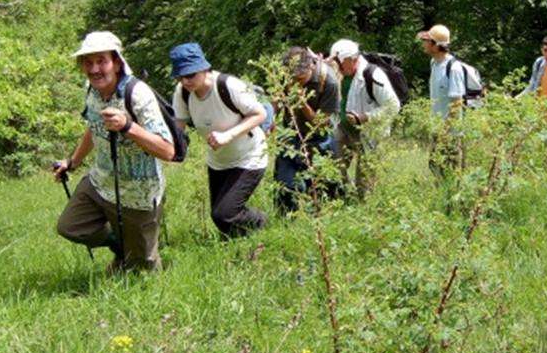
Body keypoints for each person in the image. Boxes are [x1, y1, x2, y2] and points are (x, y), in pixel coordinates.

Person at [54, 31, 175, 273]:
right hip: (101, 183)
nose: (94, 69)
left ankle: (135, 255)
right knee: (69, 226)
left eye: (101, 61)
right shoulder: (91, 90)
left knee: (144, 271)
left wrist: (128, 127)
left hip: (139, 193)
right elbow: (93, 127)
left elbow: (168, 150)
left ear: (117, 62)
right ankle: (121, 245)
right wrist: (73, 162)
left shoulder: (138, 95)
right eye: (88, 62)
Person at [170, 42, 267, 238]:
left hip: (249, 156)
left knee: (224, 214)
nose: (185, 81)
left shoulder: (228, 86)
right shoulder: (182, 93)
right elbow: (178, 126)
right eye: (180, 76)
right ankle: (243, 242)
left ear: (204, 68)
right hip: (218, 161)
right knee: (221, 217)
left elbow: (260, 114)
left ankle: (261, 222)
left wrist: (228, 135)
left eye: (190, 75)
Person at [329, 39, 401, 196]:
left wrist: (365, 117)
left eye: (339, 62)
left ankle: (362, 203)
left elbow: (393, 106)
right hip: (343, 129)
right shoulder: (341, 73)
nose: (338, 67)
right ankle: (344, 193)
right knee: (333, 167)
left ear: (351, 59)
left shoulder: (372, 74)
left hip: (369, 133)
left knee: (365, 187)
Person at [274, 47, 341, 214]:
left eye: (300, 79)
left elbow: (322, 124)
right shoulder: (285, 74)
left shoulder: (329, 82)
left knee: (319, 186)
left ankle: (317, 223)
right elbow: (276, 101)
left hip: (319, 139)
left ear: (311, 66)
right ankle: (286, 221)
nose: (296, 83)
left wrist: (302, 103)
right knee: (285, 185)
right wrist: (268, 119)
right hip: (291, 135)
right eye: (292, 79)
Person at [416, 24, 479, 172]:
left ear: (436, 46)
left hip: (450, 134)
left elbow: (457, 104)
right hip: (438, 129)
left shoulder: (454, 68)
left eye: (427, 41)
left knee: (451, 173)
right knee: (435, 168)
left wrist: (445, 132)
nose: (423, 44)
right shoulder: (434, 63)